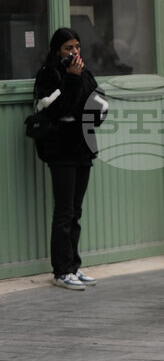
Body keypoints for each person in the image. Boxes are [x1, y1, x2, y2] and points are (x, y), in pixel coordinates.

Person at [32, 28, 108, 290]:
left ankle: (74, 266)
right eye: (68, 48)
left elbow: (97, 104)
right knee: (64, 211)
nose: (74, 52)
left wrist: (93, 108)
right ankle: (61, 271)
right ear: (57, 51)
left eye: (77, 47)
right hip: (61, 150)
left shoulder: (83, 72)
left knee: (76, 211)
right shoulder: (49, 74)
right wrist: (73, 80)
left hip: (83, 147)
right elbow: (56, 110)